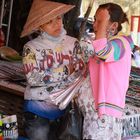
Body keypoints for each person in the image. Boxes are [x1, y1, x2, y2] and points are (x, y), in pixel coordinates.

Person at [20, 0, 90, 140]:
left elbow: (81, 73)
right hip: (37, 111)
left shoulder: (73, 43)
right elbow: (33, 78)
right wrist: (65, 70)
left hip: (66, 111)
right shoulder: (31, 48)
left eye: (58, 18)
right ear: (40, 26)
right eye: (49, 21)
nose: (56, 24)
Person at [78, 2, 134, 140]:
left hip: (103, 117)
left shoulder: (121, 44)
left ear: (114, 26)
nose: (95, 25)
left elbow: (103, 52)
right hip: (96, 115)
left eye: (100, 21)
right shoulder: (109, 43)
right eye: (95, 20)